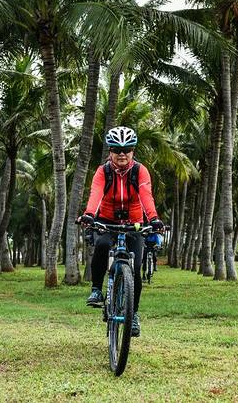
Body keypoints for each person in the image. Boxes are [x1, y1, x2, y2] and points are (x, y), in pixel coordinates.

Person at [77, 126, 163, 337]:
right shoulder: (103, 171)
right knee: (103, 244)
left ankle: (133, 315)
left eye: (127, 149)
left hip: (134, 221)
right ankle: (96, 289)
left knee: (135, 270)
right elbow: (96, 193)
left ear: (133, 151)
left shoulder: (140, 171)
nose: (122, 154)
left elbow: (146, 195)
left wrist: (153, 219)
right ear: (110, 151)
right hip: (106, 219)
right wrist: (89, 214)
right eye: (116, 149)